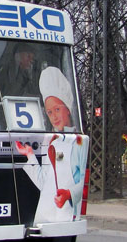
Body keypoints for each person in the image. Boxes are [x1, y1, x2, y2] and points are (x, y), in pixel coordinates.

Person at [14, 67, 85, 222]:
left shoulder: (78, 142)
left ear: (68, 110)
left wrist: (69, 194)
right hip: (45, 216)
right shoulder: (50, 140)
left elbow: (82, 182)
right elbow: (43, 183)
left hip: (66, 213)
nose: (54, 117)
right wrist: (30, 155)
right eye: (50, 112)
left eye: (57, 109)